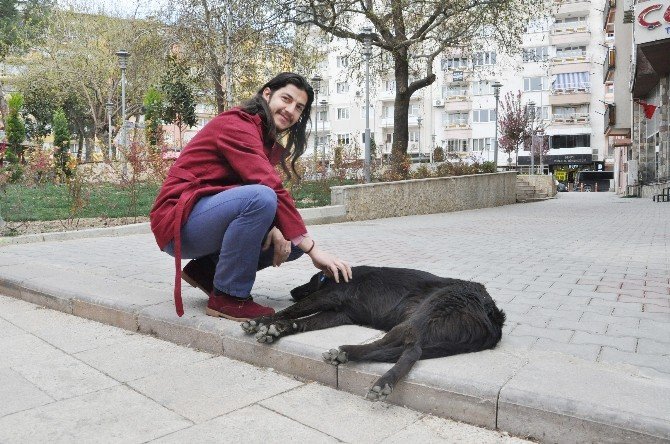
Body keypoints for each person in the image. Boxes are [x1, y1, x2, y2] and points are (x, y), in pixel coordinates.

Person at [150, 72, 352, 320]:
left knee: (291, 244)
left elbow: (248, 189)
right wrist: (314, 250)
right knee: (264, 199)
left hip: (204, 214)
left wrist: (281, 230)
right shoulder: (238, 124)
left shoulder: (260, 134)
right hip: (178, 224)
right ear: (267, 94)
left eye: (299, 107)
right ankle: (229, 297)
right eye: (286, 99)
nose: (290, 110)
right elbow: (267, 187)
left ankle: (206, 272)